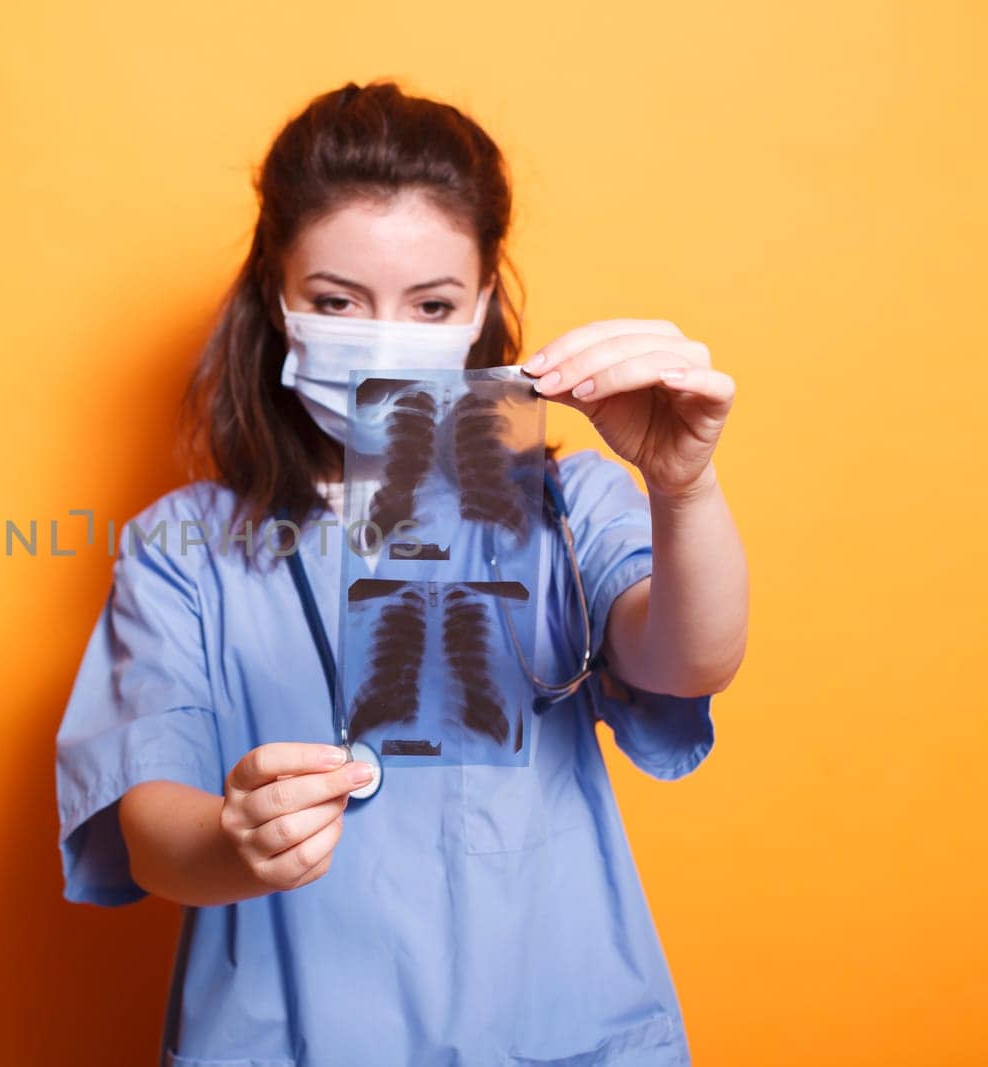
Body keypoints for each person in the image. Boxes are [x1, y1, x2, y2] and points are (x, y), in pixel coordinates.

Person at [53, 79, 748, 1066]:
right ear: (277, 300)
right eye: (337, 301)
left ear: (477, 312)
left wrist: (685, 487)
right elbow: (148, 820)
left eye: (429, 304)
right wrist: (232, 838)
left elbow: (687, 660)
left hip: (561, 1031)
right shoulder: (181, 548)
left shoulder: (565, 504)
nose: (384, 334)